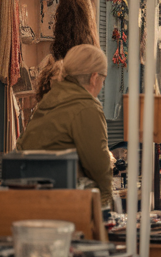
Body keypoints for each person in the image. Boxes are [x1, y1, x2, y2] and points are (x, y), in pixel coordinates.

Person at [16, 44, 114, 207]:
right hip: (63, 202)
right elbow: (99, 167)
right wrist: (107, 205)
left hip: (30, 197)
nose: (101, 86)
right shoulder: (87, 107)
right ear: (94, 78)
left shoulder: (49, 101)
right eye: (103, 80)